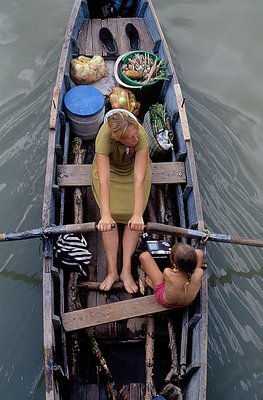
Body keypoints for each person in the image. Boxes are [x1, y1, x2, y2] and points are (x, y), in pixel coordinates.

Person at [92, 111, 152, 293]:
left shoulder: (140, 134)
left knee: (130, 214)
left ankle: (126, 270)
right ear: (118, 139)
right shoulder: (104, 138)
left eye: (136, 134)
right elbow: (104, 181)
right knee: (109, 219)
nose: (136, 138)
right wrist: (105, 215)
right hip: (110, 171)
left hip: (133, 171)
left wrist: (137, 214)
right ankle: (112, 272)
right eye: (131, 138)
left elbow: (139, 179)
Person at [138, 242, 204, 308]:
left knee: (144, 256)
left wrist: (175, 270)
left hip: (165, 301)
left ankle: (153, 286)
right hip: (187, 303)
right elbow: (199, 255)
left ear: (174, 265)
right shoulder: (199, 273)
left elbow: (168, 278)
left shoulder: (168, 273)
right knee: (199, 253)